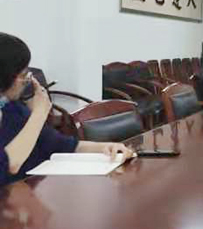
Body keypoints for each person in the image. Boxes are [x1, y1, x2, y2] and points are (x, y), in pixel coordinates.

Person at [0, 33, 133, 187]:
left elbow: (62, 144)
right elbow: (9, 165)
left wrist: (105, 148)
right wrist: (39, 114)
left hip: (26, 194)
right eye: (23, 75)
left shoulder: (14, 109)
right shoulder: (23, 110)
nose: (26, 81)